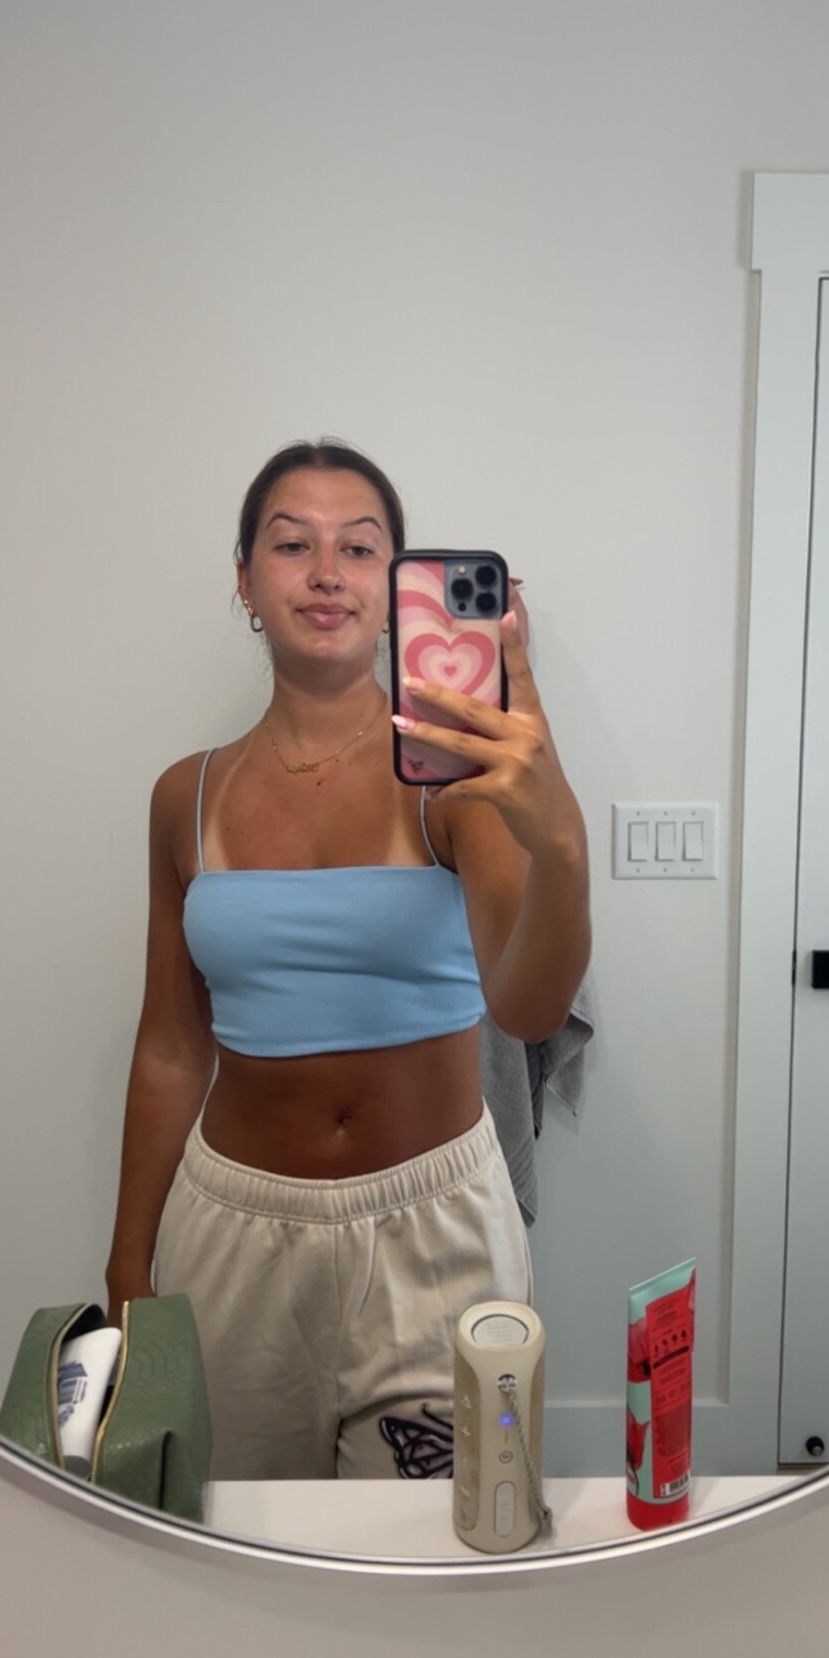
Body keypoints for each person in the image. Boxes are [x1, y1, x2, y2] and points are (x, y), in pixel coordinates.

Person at [103, 438, 590, 1482]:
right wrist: (127, 1261)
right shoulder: (185, 796)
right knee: (236, 1542)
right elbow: (171, 1049)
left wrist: (559, 842)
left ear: (396, 588)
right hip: (229, 1234)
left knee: (446, 1541)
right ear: (245, 581)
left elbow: (529, 1006)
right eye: (292, 545)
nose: (326, 573)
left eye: (360, 548)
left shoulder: (455, 780)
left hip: (437, 1232)